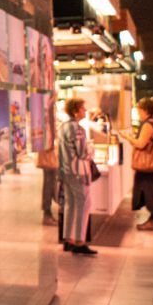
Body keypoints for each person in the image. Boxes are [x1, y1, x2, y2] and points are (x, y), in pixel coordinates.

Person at [58, 97, 97, 255]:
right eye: (82, 108)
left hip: (66, 172)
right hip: (79, 173)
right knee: (83, 205)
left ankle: (68, 239)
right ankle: (80, 241)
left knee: (70, 205)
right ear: (75, 111)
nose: (85, 111)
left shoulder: (63, 127)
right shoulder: (78, 129)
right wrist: (91, 149)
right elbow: (83, 153)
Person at [118, 97, 153, 230]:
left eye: (139, 110)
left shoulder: (148, 125)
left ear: (145, 110)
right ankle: (152, 219)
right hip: (152, 165)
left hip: (146, 165)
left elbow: (141, 144)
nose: (138, 113)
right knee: (149, 189)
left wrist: (127, 137)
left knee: (149, 191)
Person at [37, 145, 59, 225]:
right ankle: (47, 215)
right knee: (49, 184)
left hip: (49, 152)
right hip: (49, 153)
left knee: (50, 183)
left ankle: (47, 214)